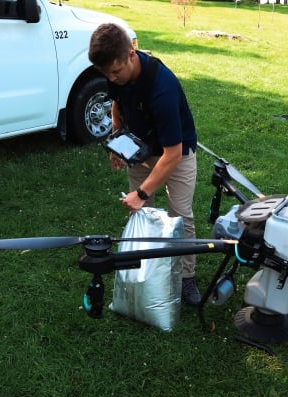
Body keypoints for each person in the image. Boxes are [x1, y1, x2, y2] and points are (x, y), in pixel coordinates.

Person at [88, 23, 201, 305]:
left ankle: (186, 277)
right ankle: (142, 269)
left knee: (180, 214)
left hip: (177, 151)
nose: (112, 79)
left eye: (116, 71)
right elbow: (117, 107)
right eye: (106, 74)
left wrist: (141, 193)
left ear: (131, 53)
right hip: (140, 146)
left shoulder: (162, 89)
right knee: (141, 215)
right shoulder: (114, 77)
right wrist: (117, 142)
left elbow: (172, 155)